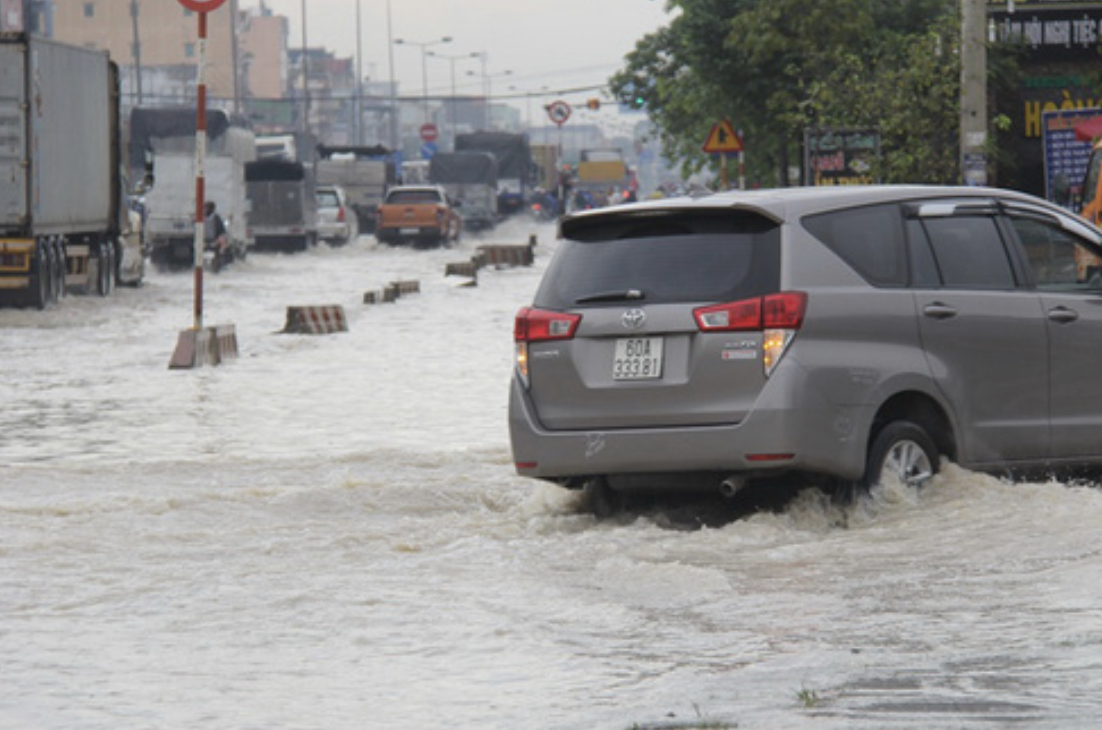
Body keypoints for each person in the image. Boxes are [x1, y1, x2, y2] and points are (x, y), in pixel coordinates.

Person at [203, 200, 230, 270]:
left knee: (219, 252)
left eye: (206, 208)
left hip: (215, 240)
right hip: (204, 240)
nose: (204, 210)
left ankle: (217, 266)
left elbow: (222, 231)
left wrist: (219, 240)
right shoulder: (201, 218)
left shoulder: (216, 218)